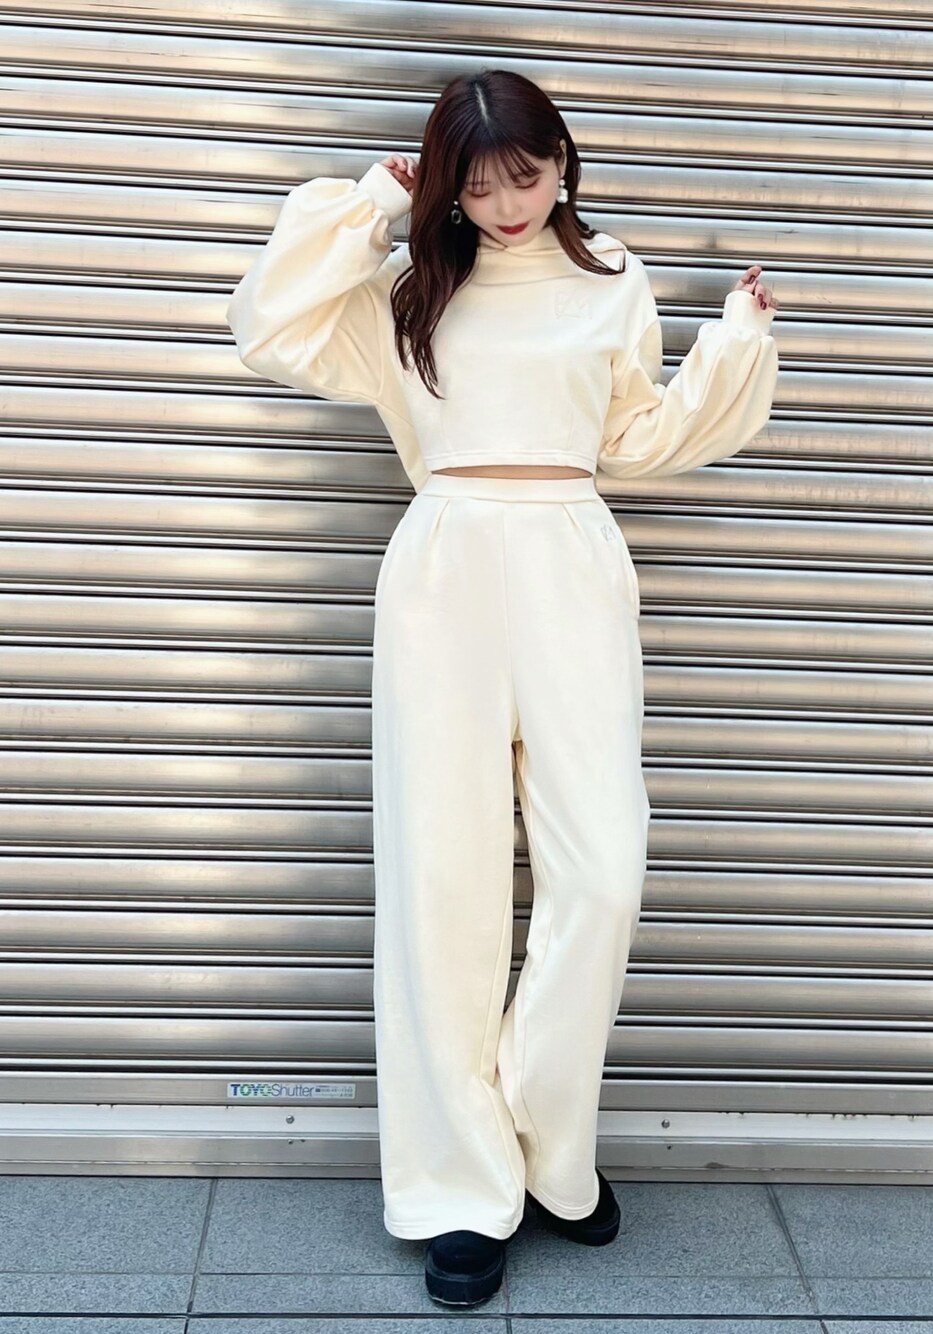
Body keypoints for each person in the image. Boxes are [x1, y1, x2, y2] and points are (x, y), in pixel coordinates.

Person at [225, 67, 779, 1311]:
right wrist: (371, 205)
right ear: (448, 191)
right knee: (443, 883)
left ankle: (542, 1135)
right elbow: (267, 327)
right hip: (446, 570)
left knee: (604, 866)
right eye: (476, 186)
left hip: (572, 560)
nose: (506, 203)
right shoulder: (409, 288)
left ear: (561, 162)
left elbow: (631, 437)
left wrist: (733, 347)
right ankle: (460, 1189)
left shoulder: (613, 278)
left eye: (523, 175)